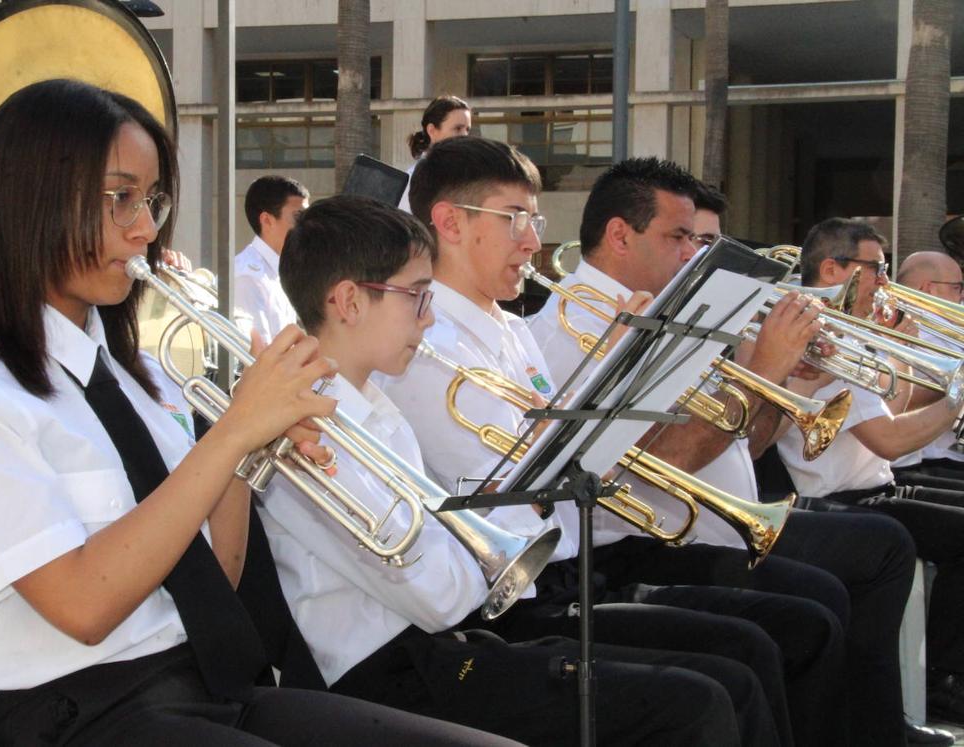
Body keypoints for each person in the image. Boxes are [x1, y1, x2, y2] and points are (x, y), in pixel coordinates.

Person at [0, 78, 521, 747]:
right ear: (33, 197)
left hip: (207, 688)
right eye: (121, 198)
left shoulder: (139, 377)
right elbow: (84, 606)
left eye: (152, 200)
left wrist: (249, 445)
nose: (146, 229)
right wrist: (231, 434)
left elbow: (218, 578)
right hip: (72, 718)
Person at [378, 138, 865, 747]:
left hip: (573, 571)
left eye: (534, 222)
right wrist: (610, 383)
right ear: (450, 223)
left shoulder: (507, 327)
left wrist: (615, 382)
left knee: (767, 645)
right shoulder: (431, 347)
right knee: (731, 677)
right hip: (524, 595)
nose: (531, 243)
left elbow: (571, 460)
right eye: (514, 219)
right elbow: (522, 499)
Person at [268, 192, 780, 746]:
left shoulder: (371, 406)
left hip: (439, 646)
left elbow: (437, 554)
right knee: (695, 703)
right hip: (390, 674)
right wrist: (521, 501)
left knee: (719, 683)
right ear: (348, 301)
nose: (429, 316)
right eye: (416, 296)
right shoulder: (314, 431)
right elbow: (438, 596)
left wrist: (498, 507)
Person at [528, 161, 926, 747]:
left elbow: (745, 443)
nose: (693, 254)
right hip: (642, 545)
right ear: (619, 235)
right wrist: (763, 370)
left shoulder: (669, 312)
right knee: (813, 612)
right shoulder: (574, 326)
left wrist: (778, 381)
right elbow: (658, 465)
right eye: (679, 237)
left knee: (841, 587)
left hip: (717, 523)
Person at [777, 218, 964, 728]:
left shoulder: (849, 329)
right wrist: (955, 397)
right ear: (832, 270)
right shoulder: (820, 332)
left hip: (875, 484)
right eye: (877, 269)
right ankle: (942, 683)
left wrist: (895, 361)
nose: (886, 282)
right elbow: (890, 440)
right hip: (843, 498)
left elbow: (887, 416)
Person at [890, 251, 964, 483]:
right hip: (929, 459)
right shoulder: (909, 326)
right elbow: (895, 400)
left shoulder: (947, 326)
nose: (961, 295)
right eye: (957, 287)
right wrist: (955, 388)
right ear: (929, 288)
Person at [233, 175, 309, 344]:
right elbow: (258, 352)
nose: (307, 226)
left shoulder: (280, 272)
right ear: (267, 220)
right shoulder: (247, 277)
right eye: (298, 217)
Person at [399, 95, 471, 214]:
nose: (464, 136)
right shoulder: (413, 181)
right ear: (432, 131)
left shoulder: (465, 178)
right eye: (457, 128)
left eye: (467, 130)